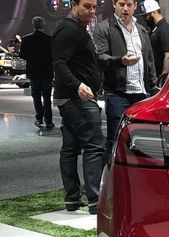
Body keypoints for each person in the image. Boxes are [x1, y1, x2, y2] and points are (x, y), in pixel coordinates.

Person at [51, 0, 105, 213]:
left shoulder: (77, 29)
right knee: (94, 145)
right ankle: (96, 201)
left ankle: (72, 199)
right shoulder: (69, 29)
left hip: (72, 98)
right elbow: (59, 63)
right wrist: (78, 85)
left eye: (94, 7)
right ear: (74, 5)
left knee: (71, 148)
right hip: (77, 99)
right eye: (87, 6)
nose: (92, 11)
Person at [93, 0, 156, 162]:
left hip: (142, 94)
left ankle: (138, 180)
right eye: (121, 4)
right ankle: (107, 181)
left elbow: (149, 61)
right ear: (114, 4)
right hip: (117, 93)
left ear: (135, 5)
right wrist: (121, 61)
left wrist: (153, 87)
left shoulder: (141, 30)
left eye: (129, 4)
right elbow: (100, 57)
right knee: (114, 139)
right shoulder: (104, 27)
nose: (125, 8)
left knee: (142, 141)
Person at [19, 16, 54, 130]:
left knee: (36, 96)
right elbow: (53, 55)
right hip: (46, 72)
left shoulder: (26, 39)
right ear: (43, 25)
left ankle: (39, 118)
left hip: (33, 71)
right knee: (47, 97)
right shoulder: (49, 39)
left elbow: (22, 55)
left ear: (33, 25)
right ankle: (48, 120)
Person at [141, 0, 169, 85]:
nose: (144, 19)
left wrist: (163, 80)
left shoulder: (165, 29)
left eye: (145, 16)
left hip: (160, 81)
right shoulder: (156, 29)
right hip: (154, 79)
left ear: (153, 13)